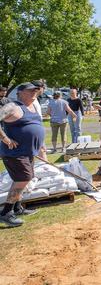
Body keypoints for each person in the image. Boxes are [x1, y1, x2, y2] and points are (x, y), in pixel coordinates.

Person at [0, 82, 45, 227]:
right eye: (30, 90)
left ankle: (17, 208)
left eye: (35, 90)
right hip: (15, 153)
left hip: (27, 152)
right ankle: (6, 213)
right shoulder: (12, 106)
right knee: (23, 179)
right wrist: (5, 139)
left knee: (24, 179)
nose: (34, 92)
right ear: (20, 92)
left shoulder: (31, 107)